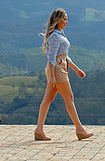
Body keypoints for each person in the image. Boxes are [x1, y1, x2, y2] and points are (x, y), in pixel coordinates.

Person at [34, 9, 94, 141]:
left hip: (60, 67)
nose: (67, 21)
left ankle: (39, 130)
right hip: (57, 69)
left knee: (47, 100)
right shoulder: (55, 36)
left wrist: (76, 69)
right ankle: (79, 129)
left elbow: (65, 57)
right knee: (69, 97)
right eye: (65, 19)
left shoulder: (60, 34)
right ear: (58, 20)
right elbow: (52, 58)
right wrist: (52, 78)